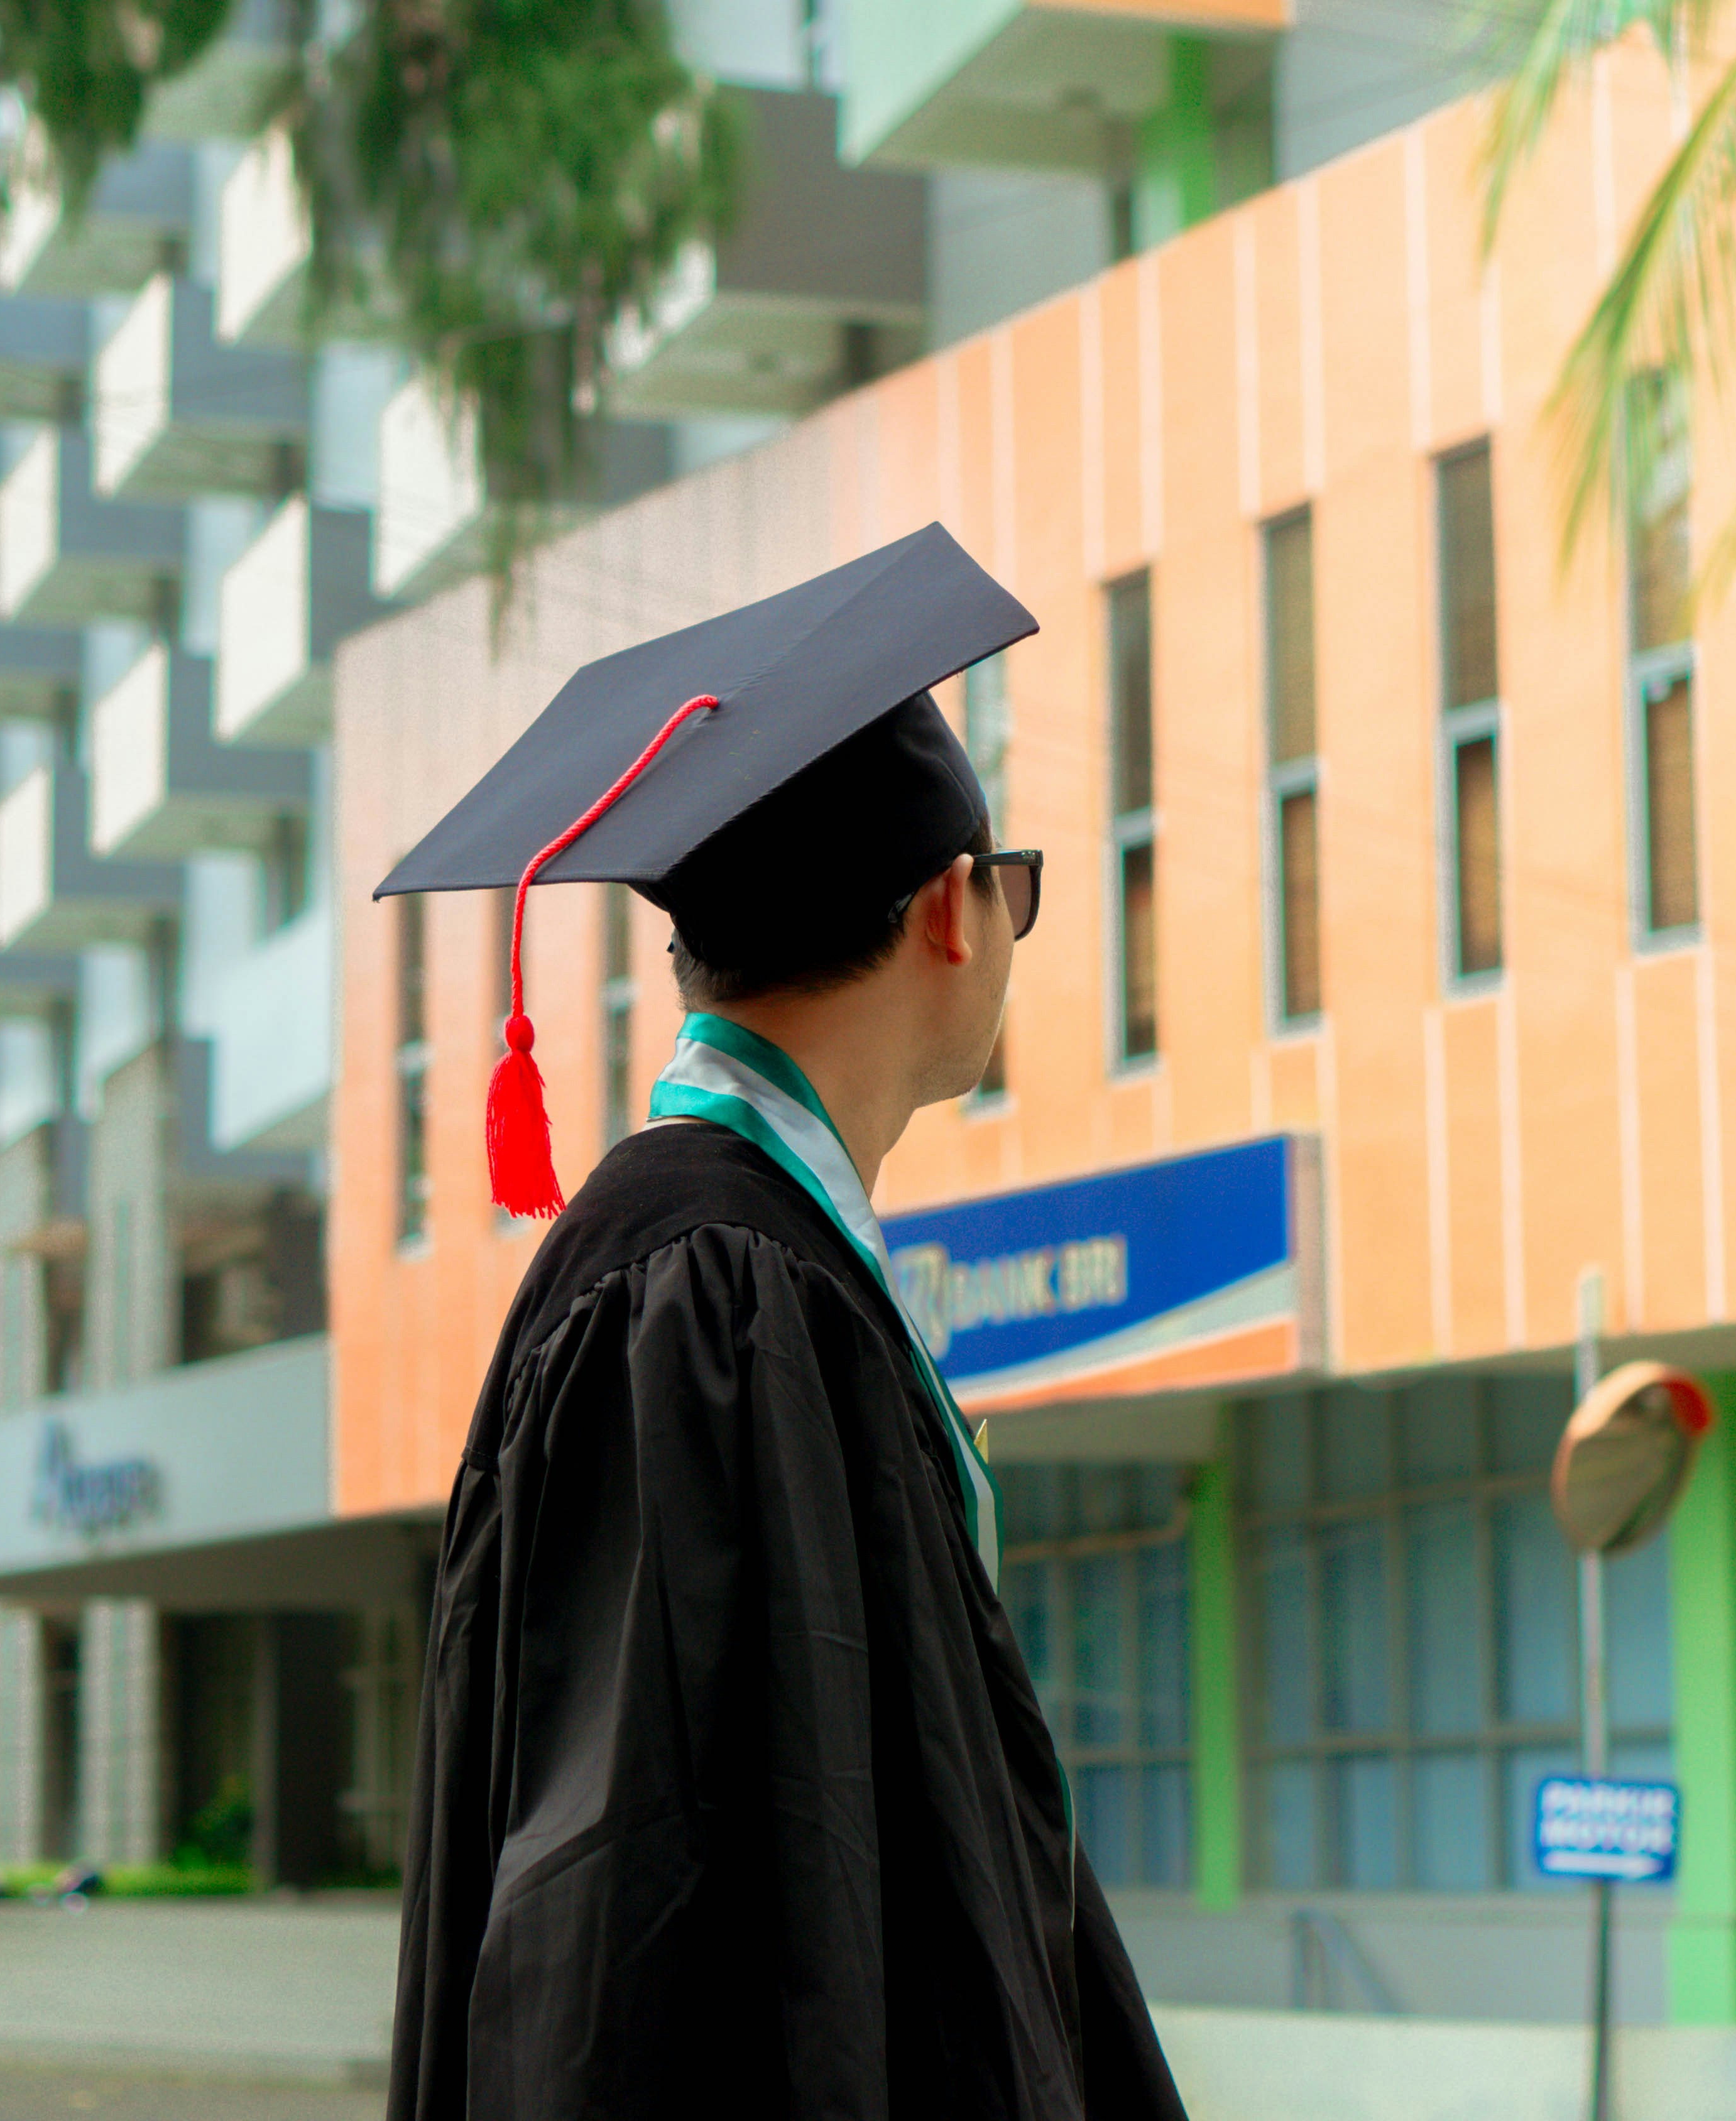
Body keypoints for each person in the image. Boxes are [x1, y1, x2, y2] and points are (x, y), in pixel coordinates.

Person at [374, 526, 1187, 2120]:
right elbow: (619, 1901)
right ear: (955, 908)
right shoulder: (707, 1292)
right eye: (1014, 890)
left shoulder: (751, 1261)